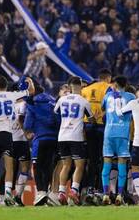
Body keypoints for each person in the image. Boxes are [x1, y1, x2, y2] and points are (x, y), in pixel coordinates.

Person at [0, 76, 35, 206]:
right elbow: (31, 91)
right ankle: (8, 193)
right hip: (7, 133)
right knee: (9, 165)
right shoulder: (11, 95)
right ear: (6, 86)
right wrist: (30, 82)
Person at [54, 76, 92, 205]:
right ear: (81, 86)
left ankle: (61, 192)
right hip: (76, 137)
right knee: (80, 165)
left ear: (70, 86)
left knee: (65, 165)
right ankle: (74, 191)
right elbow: (91, 118)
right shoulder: (83, 101)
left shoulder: (61, 99)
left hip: (62, 136)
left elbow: (55, 113)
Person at [100, 75, 134, 205]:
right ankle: (119, 195)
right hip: (123, 134)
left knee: (107, 163)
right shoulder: (131, 97)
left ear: (115, 84)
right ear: (126, 85)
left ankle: (105, 194)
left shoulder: (107, 96)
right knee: (122, 164)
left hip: (109, 133)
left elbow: (103, 109)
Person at [81, 68, 111, 201]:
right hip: (102, 127)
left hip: (87, 126)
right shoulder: (109, 88)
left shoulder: (86, 89)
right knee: (103, 159)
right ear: (108, 78)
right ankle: (100, 189)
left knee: (91, 160)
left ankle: (89, 188)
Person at [11, 84, 31, 206]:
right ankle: (17, 196)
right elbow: (20, 119)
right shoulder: (24, 104)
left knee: (10, 169)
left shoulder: (8, 105)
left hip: (9, 139)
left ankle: (5, 195)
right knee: (24, 167)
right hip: (21, 139)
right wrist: (26, 134)